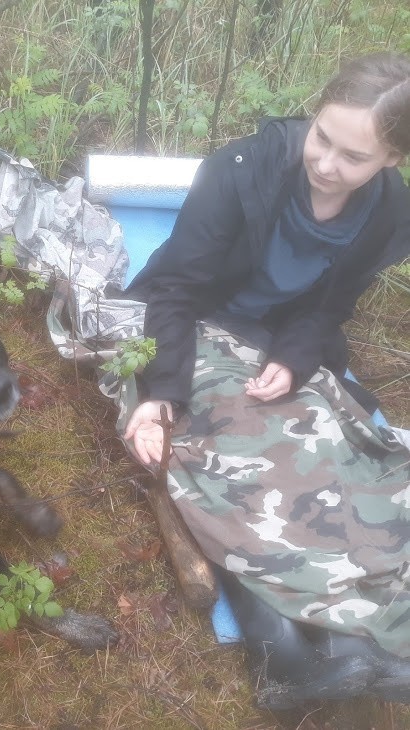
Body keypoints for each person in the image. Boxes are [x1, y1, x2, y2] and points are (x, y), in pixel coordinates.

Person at [122, 52, 410, 709]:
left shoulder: (389, 210)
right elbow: (175, 290)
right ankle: (280, 652)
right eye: (322, 139)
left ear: (391, 160)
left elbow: (331, 306)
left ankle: (354, 642)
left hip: (276, 336)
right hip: (197, 322)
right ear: (311, 119)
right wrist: (163, 391)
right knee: (234, 452)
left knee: (337, 448)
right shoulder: (242, 170)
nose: (328, 164)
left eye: (353, 157)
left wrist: (299, 349)